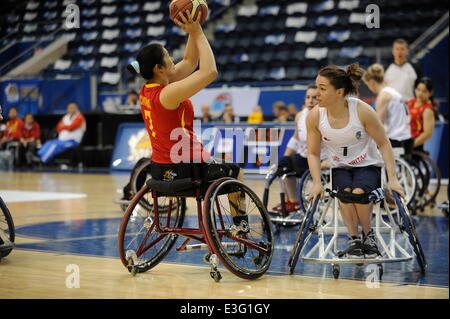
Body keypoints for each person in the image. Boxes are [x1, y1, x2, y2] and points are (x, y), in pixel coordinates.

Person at [126, 11, 246, 223]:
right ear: (159, 68)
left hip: (161, 168)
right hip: (188, 167)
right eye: (168, 56)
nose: (172, 59)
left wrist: (193, 25)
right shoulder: (168, 93)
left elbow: (191, 60)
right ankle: (241, 226)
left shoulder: (149, 89)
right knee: (236, 173)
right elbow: (210, 71)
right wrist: (198, 32)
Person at [307, 63, 404, 259]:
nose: (317, 93)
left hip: (367, 165)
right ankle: (354, 239)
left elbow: (384, 144)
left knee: (359, 193)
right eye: (317, 87)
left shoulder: (362, 111)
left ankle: (368, 235)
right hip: (340, 167)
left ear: (339, 92)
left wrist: (392, 179)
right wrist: (316, 183)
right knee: (345, 194)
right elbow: (313, 153)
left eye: (322, 88)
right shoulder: (315, 116)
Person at [271, 85, 318, 214]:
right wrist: (284, 159)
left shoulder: (324, 115)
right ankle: (292, 202)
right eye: (308, 97)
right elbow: (295, 139)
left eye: (315, 98)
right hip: (304, 158)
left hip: (320, 159)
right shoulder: (300, 116)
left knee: (292, 163)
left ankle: (294, 202)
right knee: (283, 165)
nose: (310, 101)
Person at [363, 64, 413, 156]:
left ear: (372, 82)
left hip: (395, 140)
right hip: (407, 138)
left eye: (368, 85)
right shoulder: (393, 92)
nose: (369, 88)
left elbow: (379, 124)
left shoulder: (383, 96)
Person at [407, 77, 436, 151]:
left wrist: (410, 146)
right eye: (418, 90)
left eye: (424, 91)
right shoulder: (410, 102)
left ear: (430, 93)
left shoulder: (427, 110)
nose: (420, 93)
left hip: (415, 145)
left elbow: (427, 134)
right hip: (404, 139)